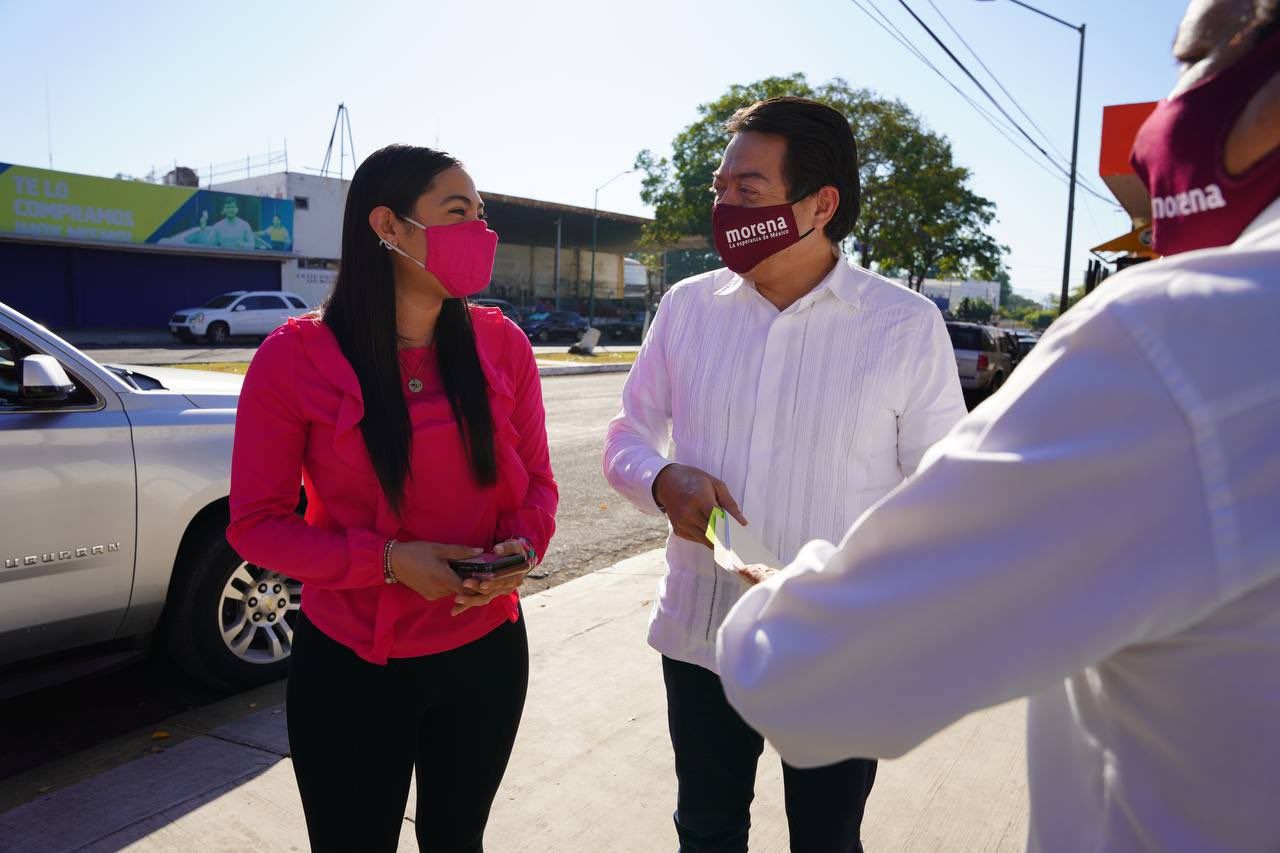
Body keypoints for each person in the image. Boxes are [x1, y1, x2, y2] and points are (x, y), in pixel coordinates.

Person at [716, 4, 1280, 851]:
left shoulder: (1183, 343)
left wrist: (781, 602)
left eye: (1194, 60)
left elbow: (804, 674)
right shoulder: (692, 310)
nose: (1170, 109)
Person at [602, 97, 967, 852]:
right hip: (703, 634)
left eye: (749, 190)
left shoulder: (903, 325)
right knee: (705, 830)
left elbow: (942, 496)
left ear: (819, 203)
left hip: (836, 647)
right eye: (719, 187)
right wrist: (664, 480)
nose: (724, 206)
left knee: (827, 839)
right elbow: (628, 435)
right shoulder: (687, 309)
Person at [227, 144, 558, 853]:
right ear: (389, 226)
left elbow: (539, 485)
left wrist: (523, 548)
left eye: (482, 213)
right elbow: (257, 525)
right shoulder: (294, 359)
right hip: (351, 667)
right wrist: (385, 560)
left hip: (486, 651)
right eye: (458, 212)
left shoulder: (502, 346)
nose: (481, 232)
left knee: (456, 839)